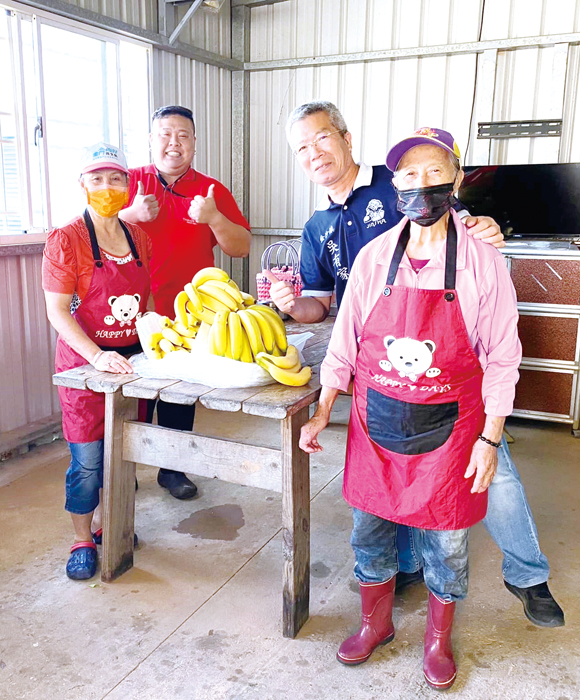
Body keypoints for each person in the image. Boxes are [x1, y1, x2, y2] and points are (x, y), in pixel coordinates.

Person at [267, 101, 564, 628]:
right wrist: (293, 306)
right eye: (302, 148)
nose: (315, 154)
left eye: (322, 139)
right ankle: (399, 578)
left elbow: (450, 217)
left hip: (451, 389)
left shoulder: (395, 183)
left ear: (345, 137)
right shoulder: (319, 227)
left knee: (491, 479)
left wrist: (482, 227)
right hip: (384, 378)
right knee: (387, 492)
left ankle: (527, 575)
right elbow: (327, 307)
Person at [299, 128, 522, 689]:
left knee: (446, 539)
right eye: (408, 174)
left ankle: (438, 638)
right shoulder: (375, 257)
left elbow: (501, 358)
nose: (420, 185)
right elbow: (346, 339)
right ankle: (375, 624)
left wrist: (491, 438)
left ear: (456, 179)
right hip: (376, 425)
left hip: (453, 432)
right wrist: (325, 405)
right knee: (368, 532)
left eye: (433, 172)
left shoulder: (483, 262)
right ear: (394, 183)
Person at [120, 105, 252, 499]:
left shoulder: (211, 190)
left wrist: (213, 218)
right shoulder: (128, 182)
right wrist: (130, 214)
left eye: (183, 136)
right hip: (128, 310)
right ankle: (123, 469)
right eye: (165, 134)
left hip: (188, 314)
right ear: (150, 139)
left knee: (179, 395)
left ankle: (172, 468)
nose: (173, 143)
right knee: (131, 395)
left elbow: (241, 247)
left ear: (194, 144)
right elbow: (90, 230)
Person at [42, 143, 153, 580]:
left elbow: (143, 301)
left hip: (131, 366)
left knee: (121, 456)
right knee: (88, 460)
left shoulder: (138, 236)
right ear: (83, 185)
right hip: (84, 368)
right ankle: (82, 538)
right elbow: (57, 312)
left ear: (128, 185)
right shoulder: (66, 239)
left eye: (116, 179)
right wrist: (96, 354)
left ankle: (113, 526)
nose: (108, 187)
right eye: (98, 179)